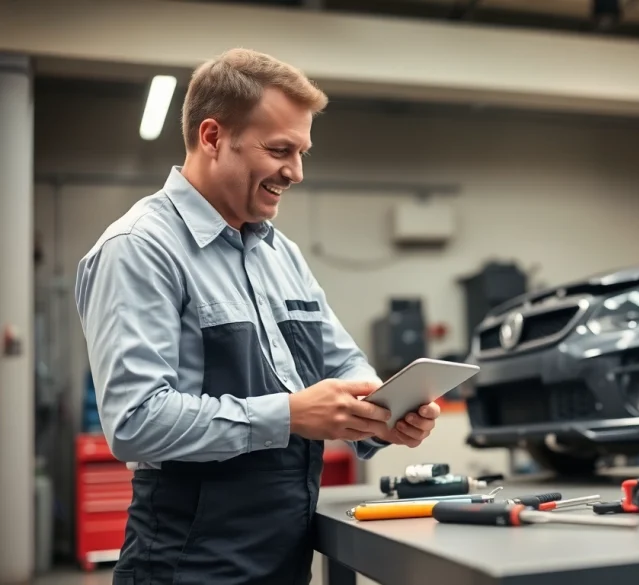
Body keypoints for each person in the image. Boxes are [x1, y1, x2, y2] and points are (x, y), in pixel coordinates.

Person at [74, 48, 441, 585]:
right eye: (279, 150)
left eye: (302, 152)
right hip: (188, 564)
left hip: (285, 557)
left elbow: (342, 369)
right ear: (212, 137)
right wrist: (289, 415)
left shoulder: (280, 254)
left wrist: (389, 415)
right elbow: (135, 423)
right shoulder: (140, 248)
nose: (294, 172)